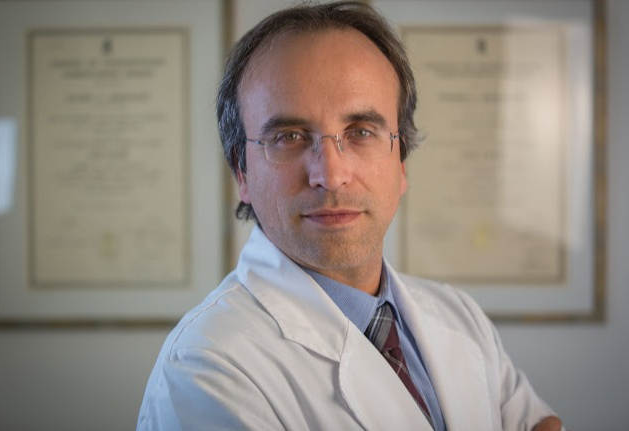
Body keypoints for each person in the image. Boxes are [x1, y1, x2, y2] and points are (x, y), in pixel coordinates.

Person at [137, 2, 564, 430]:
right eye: (289, 136)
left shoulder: (459, 315)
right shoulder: (207, 368)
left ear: (401, 161)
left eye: (361, 132)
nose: (331, 175)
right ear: (242, 173)